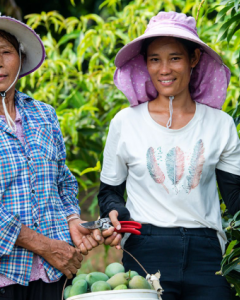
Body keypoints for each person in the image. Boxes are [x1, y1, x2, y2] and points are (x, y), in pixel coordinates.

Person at [0, 13, 103, 300]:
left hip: (52, 272)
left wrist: (72, 220)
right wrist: (47, 247)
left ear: (20, 58)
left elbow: (62, 180)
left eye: (6, 52)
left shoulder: (44, 115)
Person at [98, 11, 240, 300]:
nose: (164, 69)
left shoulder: (220, 124)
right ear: (145, 64)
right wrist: (114, 213)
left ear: (194, 58)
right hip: (145, 248)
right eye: (154, 59)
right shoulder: (125, 123)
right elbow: (109, 192)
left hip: (207, 255)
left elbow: (235, 197)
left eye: (175, 58)